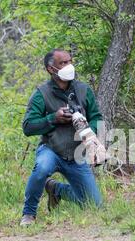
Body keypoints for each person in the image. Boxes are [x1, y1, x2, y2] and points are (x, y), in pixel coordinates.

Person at [20, 49, 103, 226]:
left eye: (70, 61)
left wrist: (88, 132)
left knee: (94, 205)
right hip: (52, 149)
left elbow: (97, 117)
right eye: (63, 63)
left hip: (77, 156)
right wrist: (53, 118)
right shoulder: (41, 94)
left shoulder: (83, 90)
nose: (69, 66)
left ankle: (56, 189)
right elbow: (28, 127)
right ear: (51, 69)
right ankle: (28, 214)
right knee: (42, 168)